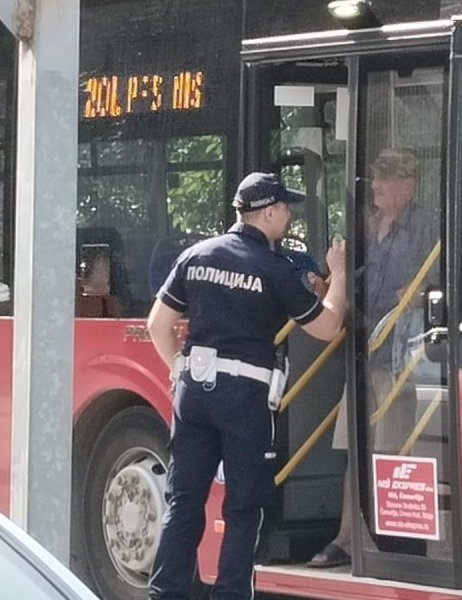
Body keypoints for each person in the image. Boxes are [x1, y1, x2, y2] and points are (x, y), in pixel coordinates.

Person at [146, 172, 348, 600]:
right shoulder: (274, 269)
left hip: (194, 392)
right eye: (286, 208)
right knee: (242, 506)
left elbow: (158, 325)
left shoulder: (197, 255)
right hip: (244, 398)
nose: (290, 215)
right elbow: (328, 327)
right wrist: (340, 274)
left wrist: (179, 370)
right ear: (269, 212)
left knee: (184, 501)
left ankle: (166, 594)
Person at [308, 148, 437, 569]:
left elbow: (437, 280)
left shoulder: (426, 225)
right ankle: (347, 539)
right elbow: (356, 281)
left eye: (384, 179)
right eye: (375, 179)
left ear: (408, 184)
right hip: (362, 350)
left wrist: (417, 294)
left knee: (394, 451)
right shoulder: (367, 226)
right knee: (356, 451)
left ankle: (397, 542)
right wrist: (329, 284)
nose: (376, 188)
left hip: (400, 355)